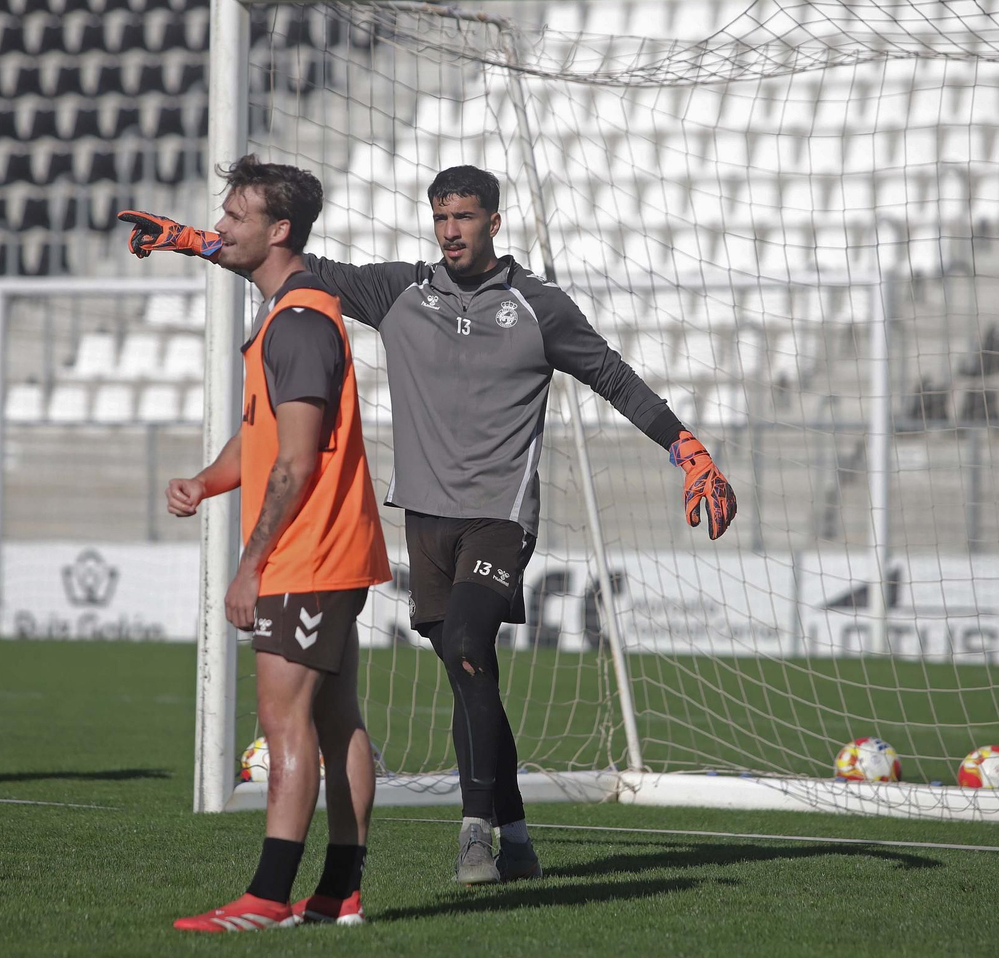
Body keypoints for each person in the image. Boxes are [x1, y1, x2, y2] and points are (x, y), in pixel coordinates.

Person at [121, 164, 737, 885]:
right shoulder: (400, 293)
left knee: (472, 649)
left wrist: (685, 448)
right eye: (441, 218)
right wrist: (194, 242)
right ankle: (516, 835)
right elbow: (294, 269)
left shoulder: (539, 307)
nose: (450, 231)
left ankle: (475, 834)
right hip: (425, 518)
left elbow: (612, 375)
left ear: (493, 224)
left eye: (465, 219)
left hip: (499, 518)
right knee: (468, 673)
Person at [128, 157, 392, 933]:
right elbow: (263, 442)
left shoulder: (301, 321)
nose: (223, 229)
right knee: (336, 721)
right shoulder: (287, 311)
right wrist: (207, 484)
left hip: (305, 557)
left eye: (236, 217)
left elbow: (298, 459)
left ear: (279, 232)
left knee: (285, 725)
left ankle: (268, 898)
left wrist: (250, 566)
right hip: (330, 553)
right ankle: (339, 892)